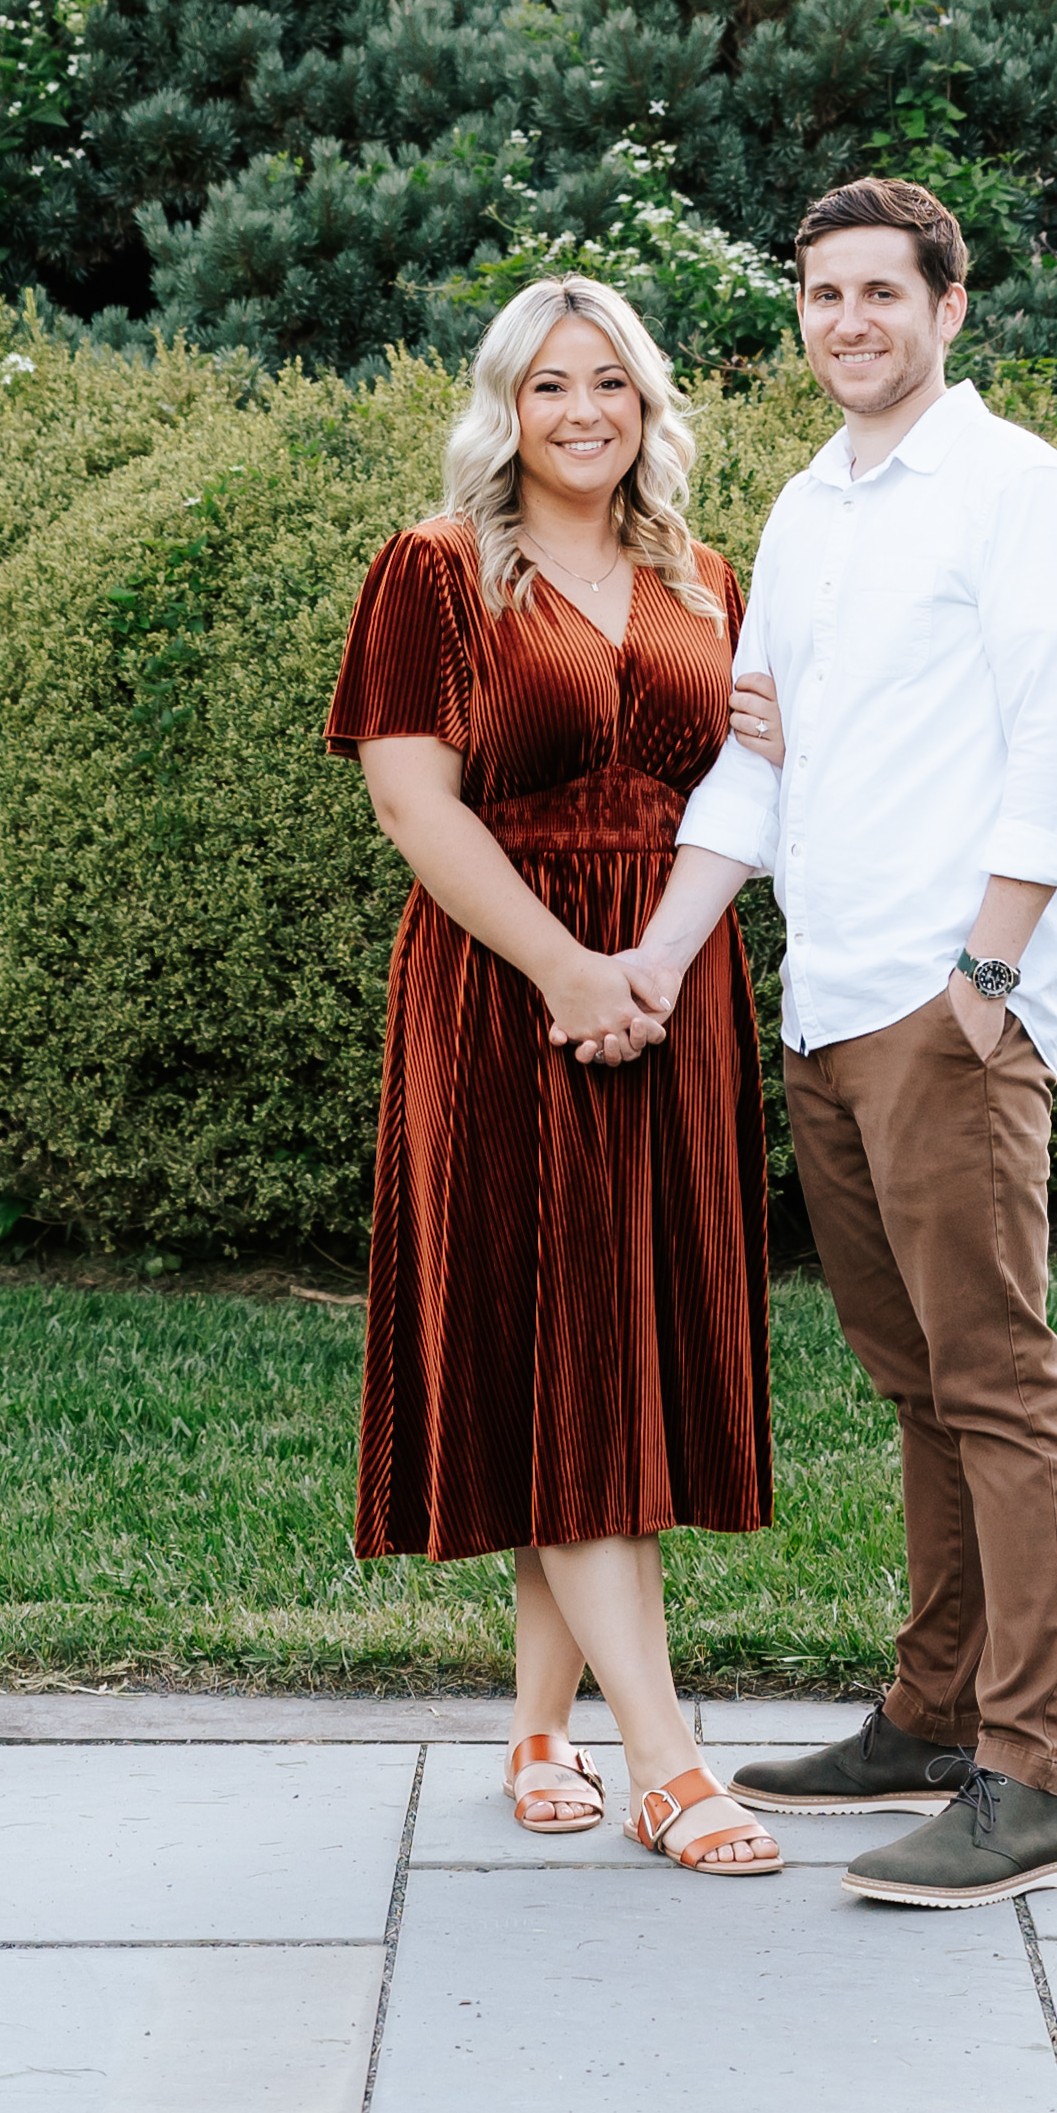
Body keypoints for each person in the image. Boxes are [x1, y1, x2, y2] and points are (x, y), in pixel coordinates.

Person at [624, 172, 1057, 1908]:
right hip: (828, 1001)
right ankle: (930, 1715)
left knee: (997, 1379)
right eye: (822, 295)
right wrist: (656, 959)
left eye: (880, 296)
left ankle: (1037, 1774)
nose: (848, 323)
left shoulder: (1018, 494)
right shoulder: (813, 510)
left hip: (944, 1003)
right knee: (916, 1381)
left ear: (950, 309)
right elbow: (759, 762)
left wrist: (985, 986)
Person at [326, 274, 784, 1873]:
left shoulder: (706, 580)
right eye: (548, 388)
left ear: (649, 406)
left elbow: (753, 780)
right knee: (561, 1340)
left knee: (615, 1356)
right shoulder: (436, 575)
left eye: (612, 385)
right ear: (501, 409)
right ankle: (666, 1758)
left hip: (673, 986)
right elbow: (413, 804)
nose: (584, 414)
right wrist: (568, 969)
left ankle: (538, 1727)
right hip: (505, 990)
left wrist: (647, 963)